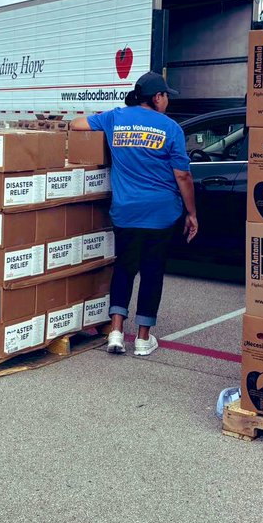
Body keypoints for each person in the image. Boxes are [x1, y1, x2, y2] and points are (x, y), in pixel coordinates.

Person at [70, 71, 198, 357]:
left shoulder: (115, 117)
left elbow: (76, 124)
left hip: (125, 212)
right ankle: (142, 338)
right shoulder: (171, 128)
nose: (167, 101)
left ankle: (115, 332)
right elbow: (183, 176)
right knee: (152, 271)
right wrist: (192, 213)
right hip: (161, 213)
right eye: (166, 96)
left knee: (125, 267)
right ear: (157, 97)